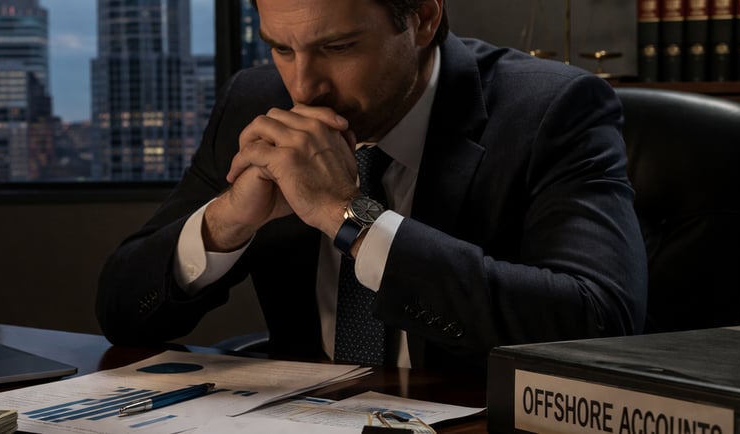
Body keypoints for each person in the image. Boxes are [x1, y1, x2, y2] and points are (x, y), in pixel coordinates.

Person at [96, 0, 648, 371]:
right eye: (281, 49)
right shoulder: (255, 101)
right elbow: (122, 313)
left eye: (337, 49)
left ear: (424, 20)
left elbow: (598, 322)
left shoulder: (553, 109)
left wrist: (351, 218)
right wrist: (225, 224)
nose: (302, 86)